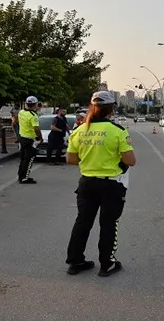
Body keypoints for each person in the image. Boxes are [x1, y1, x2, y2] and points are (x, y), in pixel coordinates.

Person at [65, 91, 136, 277]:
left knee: (82, 222)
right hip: (111, 185)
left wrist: (90, 160)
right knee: (108, 224)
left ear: (92, 107)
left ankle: (75, 261)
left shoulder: (79, 130)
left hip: (86, 183)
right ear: (112, 108)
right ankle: (107, 264)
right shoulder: (118, 131)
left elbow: (71, 159)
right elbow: (130, 160)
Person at [17, 96, 42, 184]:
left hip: (22, 137)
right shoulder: (33, 115)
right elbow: (36, 128)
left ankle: (20, 175)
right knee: (29, 159)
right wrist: (40, 137)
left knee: (23, 158)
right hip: (30, 139)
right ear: (35, 104)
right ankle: (24, 178)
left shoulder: (21, 112)